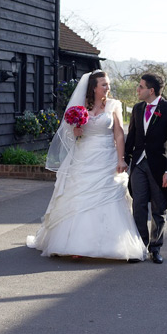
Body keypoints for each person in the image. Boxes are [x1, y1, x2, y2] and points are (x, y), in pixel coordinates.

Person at [27, 70, 147, 261]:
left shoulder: (114, 105)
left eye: (108, 84)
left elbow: (118, 134)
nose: (108, 87)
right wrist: (76, 131)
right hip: (84, 156)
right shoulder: (80, 107)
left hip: (106, 157)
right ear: (94, 87)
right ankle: (74, 244)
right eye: (104, 84)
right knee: (79, 196)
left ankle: (111, 244)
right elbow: (72, 136)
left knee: (107, 198)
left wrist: (121, 158)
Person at [124, 73, 167, 264]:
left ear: (151, 90)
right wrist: (125, 159)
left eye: (140, 87)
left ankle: (155, 247)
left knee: (159, 209)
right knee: (139, 205)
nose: (138, 90)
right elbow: (132, 136)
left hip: (160, 168)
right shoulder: (137, 109)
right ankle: (140, 246)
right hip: (138, 165)